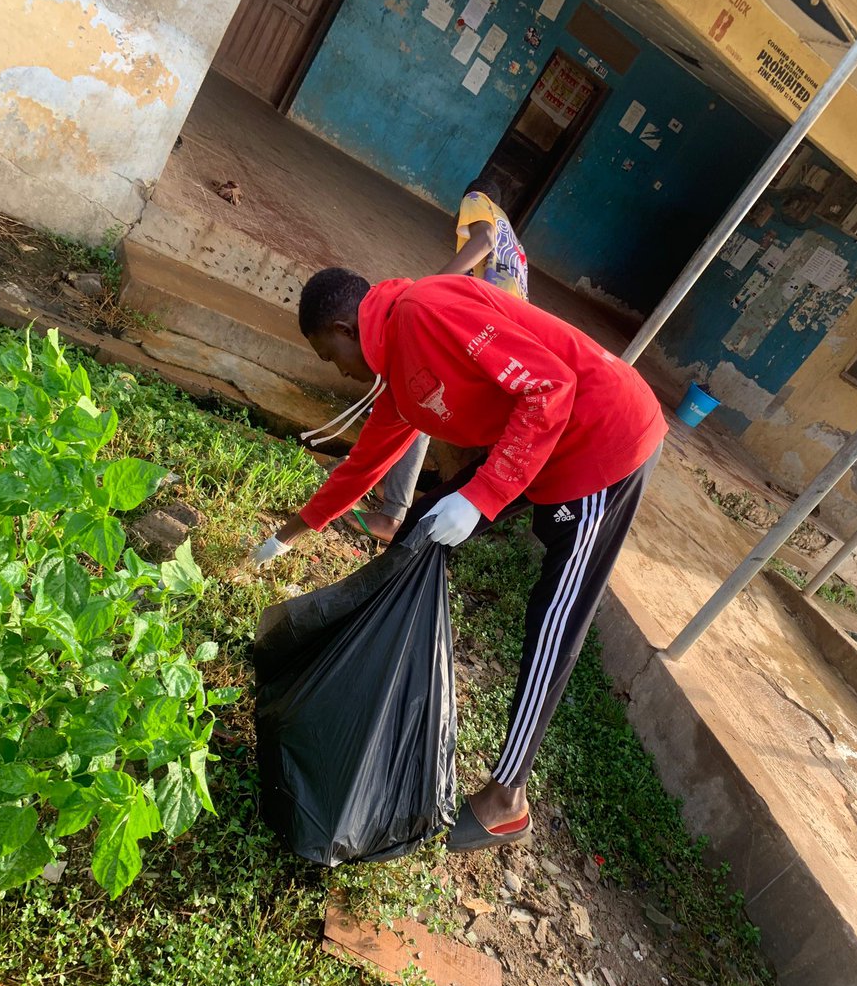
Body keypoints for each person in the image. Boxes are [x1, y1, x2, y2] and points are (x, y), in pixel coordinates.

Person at [251, 268, 666, 852]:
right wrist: (289, 534)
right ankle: (363, 667)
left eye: (328, 354)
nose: (335, 368)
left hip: (601, 437)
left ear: (346, 329)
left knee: (553, 622)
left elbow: (550, 388)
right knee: (420, 526)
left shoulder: (425, 312)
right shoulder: (398, 373)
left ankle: (507, 799)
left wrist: (482, 495)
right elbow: (365, 464)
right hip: (540, 438)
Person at [342, 177, 529, 545]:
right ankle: (390, 493)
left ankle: (392, 512)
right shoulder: (514, 237)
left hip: (483, 329)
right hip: (501, 334)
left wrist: (432, 287)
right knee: (425, 396)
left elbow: (482, 241)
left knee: (422, 394)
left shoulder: (478, 201)